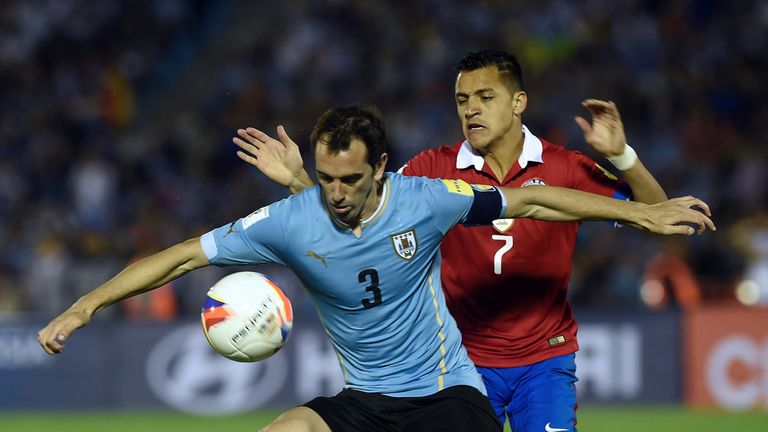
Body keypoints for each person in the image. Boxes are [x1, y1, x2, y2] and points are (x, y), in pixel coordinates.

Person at [39, 105, 714, 432]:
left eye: (350, 179)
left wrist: (642, 216)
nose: (335, 192)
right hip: (367, 401)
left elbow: (533, 196)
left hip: (449, 399)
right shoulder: (289, 220)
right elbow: (183, 255)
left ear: (380, 170)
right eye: (325, 178)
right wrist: (85, 306)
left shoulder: (425, 201)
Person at [233, 51, 679, 431]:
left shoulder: (564, 167)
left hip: (543, 362)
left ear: (518, 102)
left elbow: (652, 216)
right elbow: (358, 212)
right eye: (463, 100)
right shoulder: (433, 169)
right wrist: (298, 182)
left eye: (485, 97)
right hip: (459, 369)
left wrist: (623, 156)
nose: (471, 110)